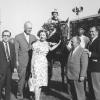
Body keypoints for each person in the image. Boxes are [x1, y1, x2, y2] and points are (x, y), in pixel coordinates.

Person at [30, 30, 61, 100]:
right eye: (41, 34)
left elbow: (51, 49)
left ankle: (37, 98)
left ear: (46, 36)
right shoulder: (35, 44)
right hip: (37, 64)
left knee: (41, 83)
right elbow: (33, 57)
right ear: (39, 35)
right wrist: (31, 68)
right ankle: (36, 99)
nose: (42, 36)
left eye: (43, 35)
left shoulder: (47, 44)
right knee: (37, 83)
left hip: (44, 64)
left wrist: (59, 43)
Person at [15, 21, 37, 99]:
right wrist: (17, 61)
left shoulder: (34, 37)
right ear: (24, 28)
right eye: (28, 28)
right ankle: (19, 95)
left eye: (31, 28)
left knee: (30, 79)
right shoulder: (18, 37)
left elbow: (38, 46)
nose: (30, 30)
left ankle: (29, 93)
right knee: (22, 78)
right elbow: (16, 50)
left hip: (31, 62)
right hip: (22, 62)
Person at [66, 36, 88, 100]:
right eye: (71, 41)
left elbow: (84, 64)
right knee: (72, 94)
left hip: (78, 77)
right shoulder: (71, 50)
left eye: (72, 41)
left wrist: (82, 75)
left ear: (78, 42)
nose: (71, 43)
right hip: (70, 76)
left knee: (80, 95)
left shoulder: (82, 51)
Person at [0, 30, 16, 100]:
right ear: (2, 36)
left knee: (8, 85)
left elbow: (14, 57)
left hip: (10, 68)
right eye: (4, 35)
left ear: (9, 37)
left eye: (8, 36)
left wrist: (14, 67)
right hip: (1, 69)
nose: (6, 37)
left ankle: (7, 98)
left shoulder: (12, 45)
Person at [87, 26, 100, 100]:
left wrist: (90, 54)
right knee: (91, 88)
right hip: (89, 68)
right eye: (90, 31)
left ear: (97, 32)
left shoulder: (98, 41)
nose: (91, 33)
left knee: (96, 89)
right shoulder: (89, 42)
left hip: (96, 69)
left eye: (93, 31)